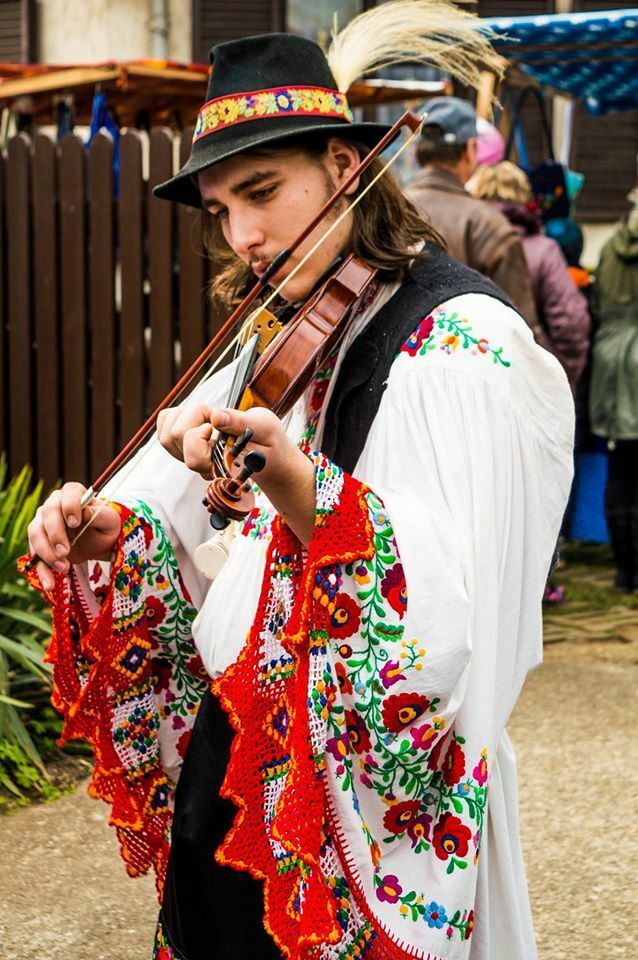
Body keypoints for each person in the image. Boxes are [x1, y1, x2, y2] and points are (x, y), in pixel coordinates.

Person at [23, 5, 574, 960]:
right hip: (238, 773)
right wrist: (119, 531)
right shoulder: (275, 341)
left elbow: (455, 617)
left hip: (365, 821)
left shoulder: (462, 347)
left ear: (347, 168)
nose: (240, 233)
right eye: (220, 211)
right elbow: (222, 555)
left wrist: (294, 477)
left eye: (263, 192)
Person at [406, 97, 543, 338]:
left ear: (418, 153)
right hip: (470, 366)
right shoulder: (487, 225)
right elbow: (520, 330)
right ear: (470, 149)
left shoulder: (385, 209)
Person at [468, 162, 590, 397]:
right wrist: (558, 377)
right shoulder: (544, 250)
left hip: (470, 377)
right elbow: (571, 323)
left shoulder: (461, 242)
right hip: (528, 381)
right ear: (523, 197)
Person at [589, 196, 638, 592]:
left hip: (610, 356)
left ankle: (624, 571)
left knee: (620, 460)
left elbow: (598, 305)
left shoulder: (608, 247)